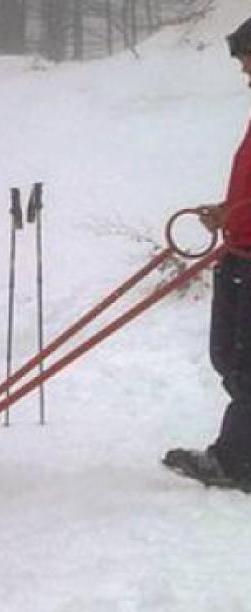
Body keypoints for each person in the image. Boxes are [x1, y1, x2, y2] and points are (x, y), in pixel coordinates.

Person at [164, 18, 251, 490]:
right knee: (227, 357)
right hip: (239, 250)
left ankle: (237, 462)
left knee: (247, 364)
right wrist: (226, 210)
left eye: (246, 58)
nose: (243, 69)